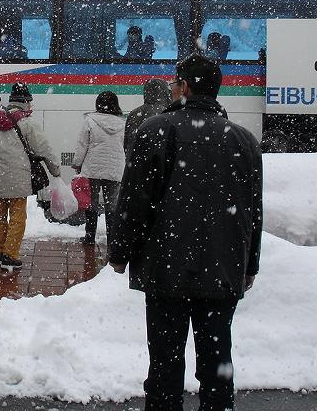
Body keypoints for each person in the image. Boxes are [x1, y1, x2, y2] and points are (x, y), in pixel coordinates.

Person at [108, 53, 263, 411]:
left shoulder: (155, 130)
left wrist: (120, 252)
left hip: (166, 267)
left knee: (165, 361)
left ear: (185, 87)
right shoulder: (243, 140)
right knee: (217, 359)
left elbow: (134, 200)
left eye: (176, 82)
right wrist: (249, 265)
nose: (173, 87)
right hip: (223, 268)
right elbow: (253, 211)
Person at [0, 82, 61, 270]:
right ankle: (10, 255)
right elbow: (44, 150)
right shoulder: (27, 123)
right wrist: (55, 171)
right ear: (26, 102)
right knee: (17, 218)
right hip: (18, 180)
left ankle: (1, 251)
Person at [71, 90, 125, 245]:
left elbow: (82, 144)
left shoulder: (90, 120)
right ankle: (112, 238)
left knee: (91, 203)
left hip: (93, 168)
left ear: (98, 104)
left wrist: (77, 163)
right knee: (112, 205)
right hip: (114, 168)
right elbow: (125, 145)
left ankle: (90, 237)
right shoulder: (122, 123)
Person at [123, 79, 172, 153]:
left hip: (135, 156)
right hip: (157, 158)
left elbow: (126, 143)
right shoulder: (167, 113)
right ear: (165, 93)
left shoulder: (133, 114)